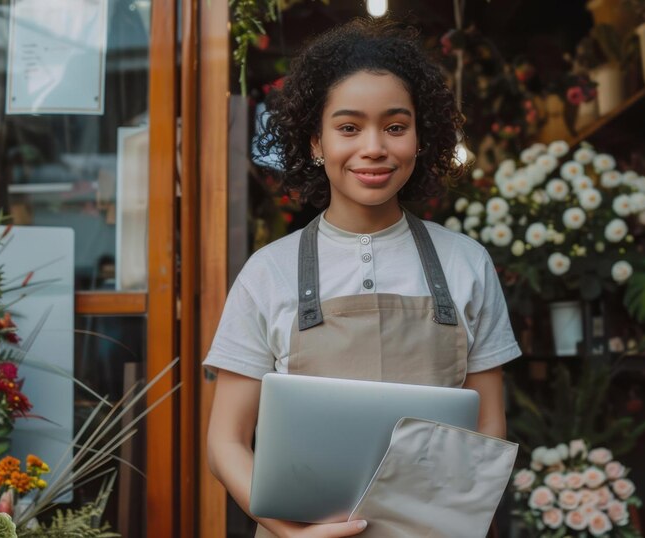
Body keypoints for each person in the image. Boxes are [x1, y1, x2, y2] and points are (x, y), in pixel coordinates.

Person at [204, 18, 521, 538]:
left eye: (395, 127)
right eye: (348, 128)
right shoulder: (269, 273)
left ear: (421, 139)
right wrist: (291, 533)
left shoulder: (467, 263)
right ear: (315, 142)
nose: (374, 147)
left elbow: (488, 430)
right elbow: (227, 443)